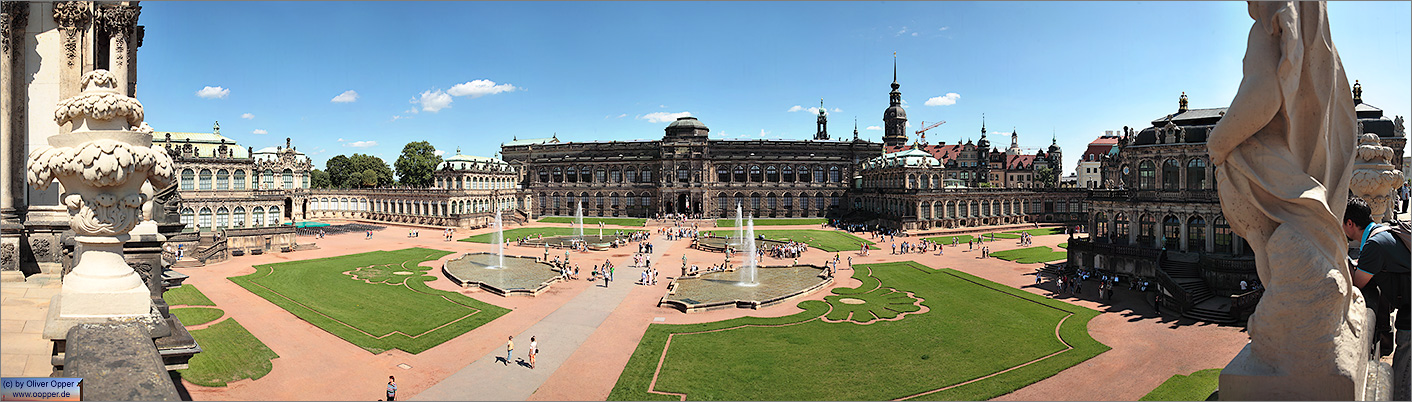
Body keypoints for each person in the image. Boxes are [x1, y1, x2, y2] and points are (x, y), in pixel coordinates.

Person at [1343, 197, 1410, 398]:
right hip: (1407, 304)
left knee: (1403, 368)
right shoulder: (1381, 231)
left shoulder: (1374, 245)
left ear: (1350, 223)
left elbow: (1358, 283)